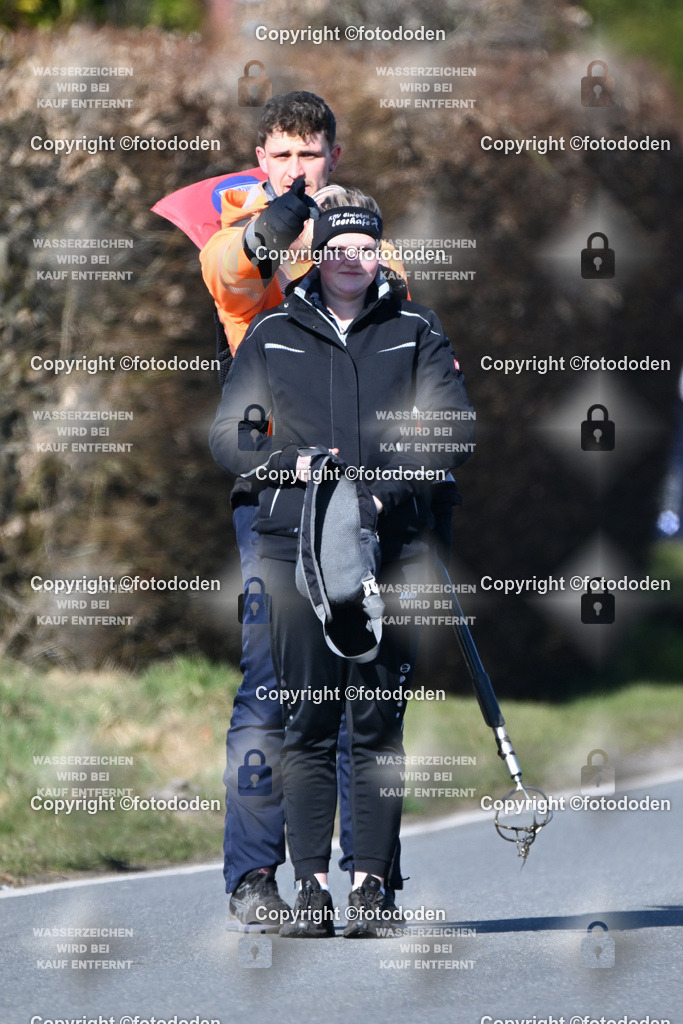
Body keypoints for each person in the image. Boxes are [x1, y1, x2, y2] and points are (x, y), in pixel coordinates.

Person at [209, 191, 475, 936]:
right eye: (335, 246)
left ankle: (371, 889)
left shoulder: (413, 329)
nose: (349, 259)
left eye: (363, 247)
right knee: (307, 721)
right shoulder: (272, 332)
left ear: (379, 254)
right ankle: (311, 888)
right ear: (316, 254)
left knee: (376, 721)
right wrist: (288, 463)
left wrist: (385, 492)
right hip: (291, 551)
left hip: (389, 549)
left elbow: (450, 426)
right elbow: (231, 437)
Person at [199, 92, 408, 929]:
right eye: (282, 155)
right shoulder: (236, 229)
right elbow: (238, 268)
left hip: (354, 488)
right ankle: (254, 878)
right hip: (276, 487)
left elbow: (386, 313)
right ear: (261, 160)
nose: (297, 168)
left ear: (333, 156)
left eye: (310, 156)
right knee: (270, 686)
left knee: (364, 677)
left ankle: (367, 881)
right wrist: (288, 214)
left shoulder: (367, 240)